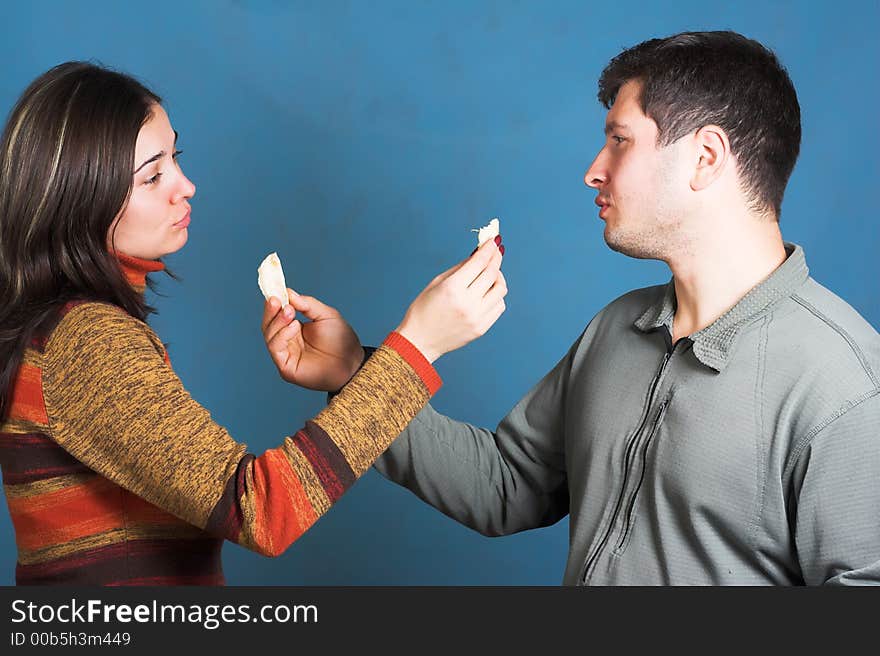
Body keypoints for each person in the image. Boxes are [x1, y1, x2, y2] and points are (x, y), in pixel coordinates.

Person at [267, 31, 880, 585]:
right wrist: (357, 375)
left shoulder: (842, 385)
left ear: (706, 157)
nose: (594, 171)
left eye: (620, 141)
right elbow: (504, 485)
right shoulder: (618, 329)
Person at [0, 61, 507, 585]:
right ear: (77, 198)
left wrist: (350, 368)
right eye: (153, 176)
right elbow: (263, 512)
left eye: (176, 158)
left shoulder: (60, 334)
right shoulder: (88, 342)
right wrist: (417, 347)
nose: (186, 185)